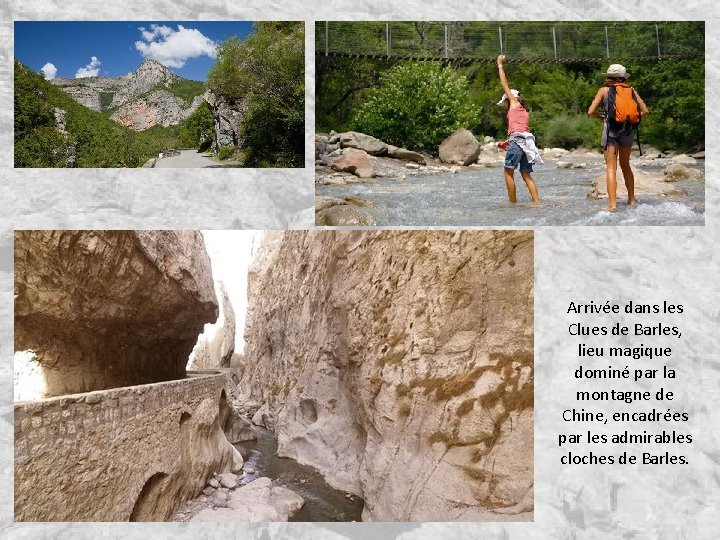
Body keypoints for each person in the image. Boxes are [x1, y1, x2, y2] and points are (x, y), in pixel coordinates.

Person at [588, 64, 649, 211]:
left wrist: (601, 118)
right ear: (623, 77)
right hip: (628, 131)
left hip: (611, 133)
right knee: (626, 165)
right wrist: (630, 119)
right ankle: (632, 199)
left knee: (611, 168)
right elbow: (645, 111)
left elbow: (590, 111)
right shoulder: (631, 90)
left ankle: (612, 205)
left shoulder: (604, 90)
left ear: (608, 77)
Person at [496, 55, 541, 205]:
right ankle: (536, 202)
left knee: (508, 172)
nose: (504, 106)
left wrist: (500, 65)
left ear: (510, 99)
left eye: (504, 103)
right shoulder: (523, 110)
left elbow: (504, 84)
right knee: (526, 174)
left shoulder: (514, 103)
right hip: (527, 142)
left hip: (518, 141)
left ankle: (512, 203)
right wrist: (507, 142)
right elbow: (520, 130)